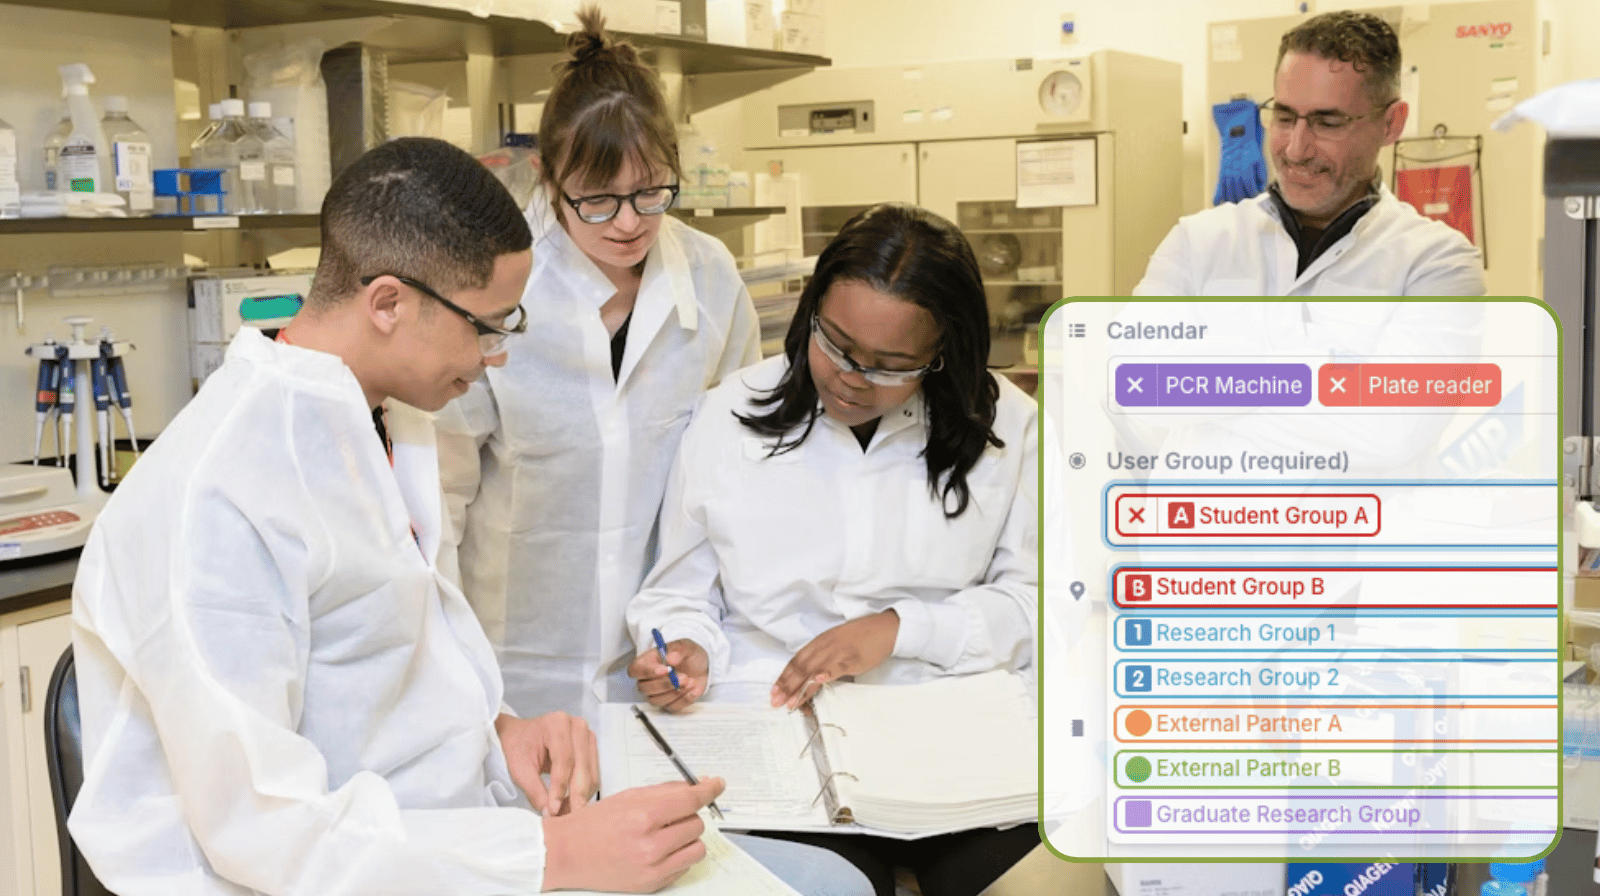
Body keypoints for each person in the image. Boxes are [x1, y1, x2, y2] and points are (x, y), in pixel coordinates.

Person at [67, 137, 868, 896]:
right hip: (322, 876)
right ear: (388, 303)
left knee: (830, 882)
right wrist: (555, 855)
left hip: (455, 839)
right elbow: (263, 830)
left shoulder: (386, 418)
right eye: (487, 326)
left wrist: (500, 730)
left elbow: (389, 664)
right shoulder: (217, 496)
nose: (498, 355)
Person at [624, 203, 1044, 896]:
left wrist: (901, 630)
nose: (852, 376)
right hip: (777, 732)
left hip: (946, 729)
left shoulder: (1009, 427)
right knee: (831, 887)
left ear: (943, 354)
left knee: (1025, 881)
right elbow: (679, 592)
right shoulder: (729, 414)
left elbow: (1036, 605)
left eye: (891, 365)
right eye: (837, 344)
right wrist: (686, 648)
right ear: (811, 311)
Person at [436, 6, 762, 725]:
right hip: (510, 670)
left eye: (651, 191)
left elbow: (732, 475)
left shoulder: (709, 278)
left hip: (661, 661)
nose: (628, 222)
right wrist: (446, 671)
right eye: (598, 199)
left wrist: (698, 632)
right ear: (549, 177)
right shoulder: (494, 287)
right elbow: (440, 499)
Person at [1134, 9, 1486, 297]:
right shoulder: (1197, 243)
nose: (1295, 149)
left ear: (1391, 124)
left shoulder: (1436, 263)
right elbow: (1135, 359)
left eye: (1328, 123)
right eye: (1284, 117)